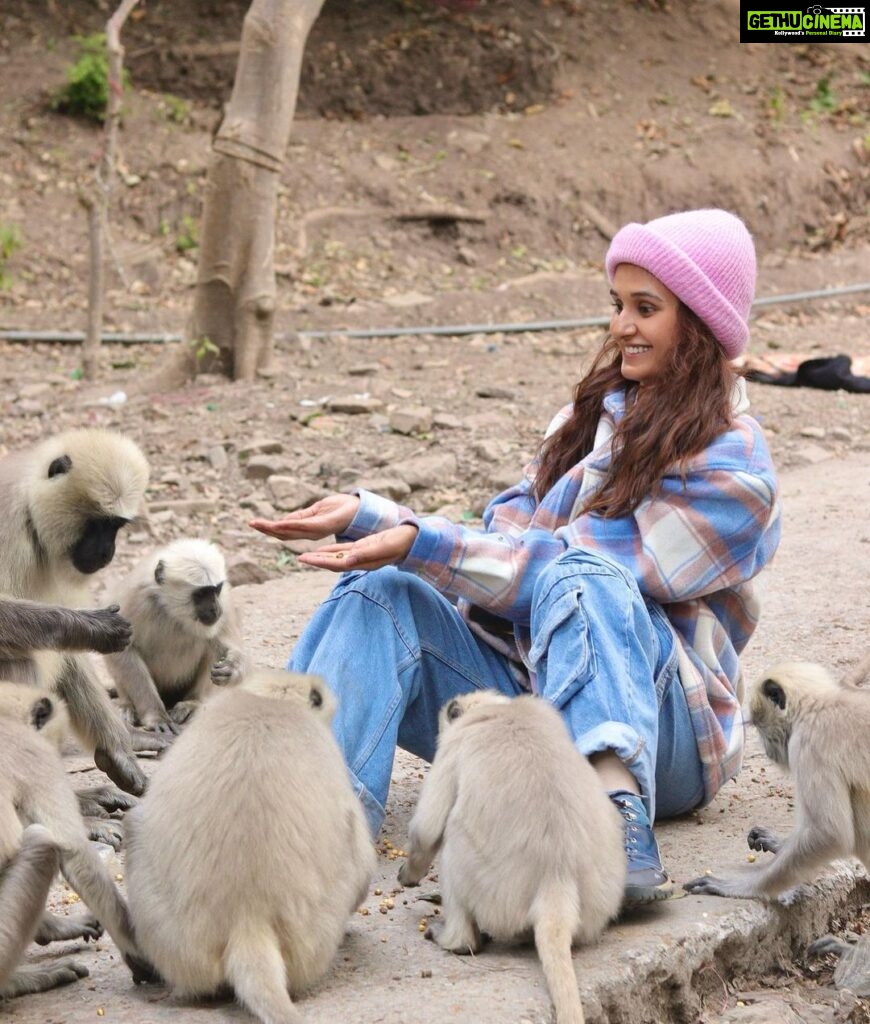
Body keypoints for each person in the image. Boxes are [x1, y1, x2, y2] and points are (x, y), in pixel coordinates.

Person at [250, 208, 781, 906]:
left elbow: (561, 568)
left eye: (645, 308)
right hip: (531, 704)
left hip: (666, 738)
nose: (622, 325)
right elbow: (505, 535)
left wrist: (422, 539)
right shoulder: (587, 420)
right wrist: (383, 527)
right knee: (376, 592)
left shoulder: (736, 468)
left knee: (584, 575)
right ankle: (300, 839)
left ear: (702, 327)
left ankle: (614, 822)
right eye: (618, 305)